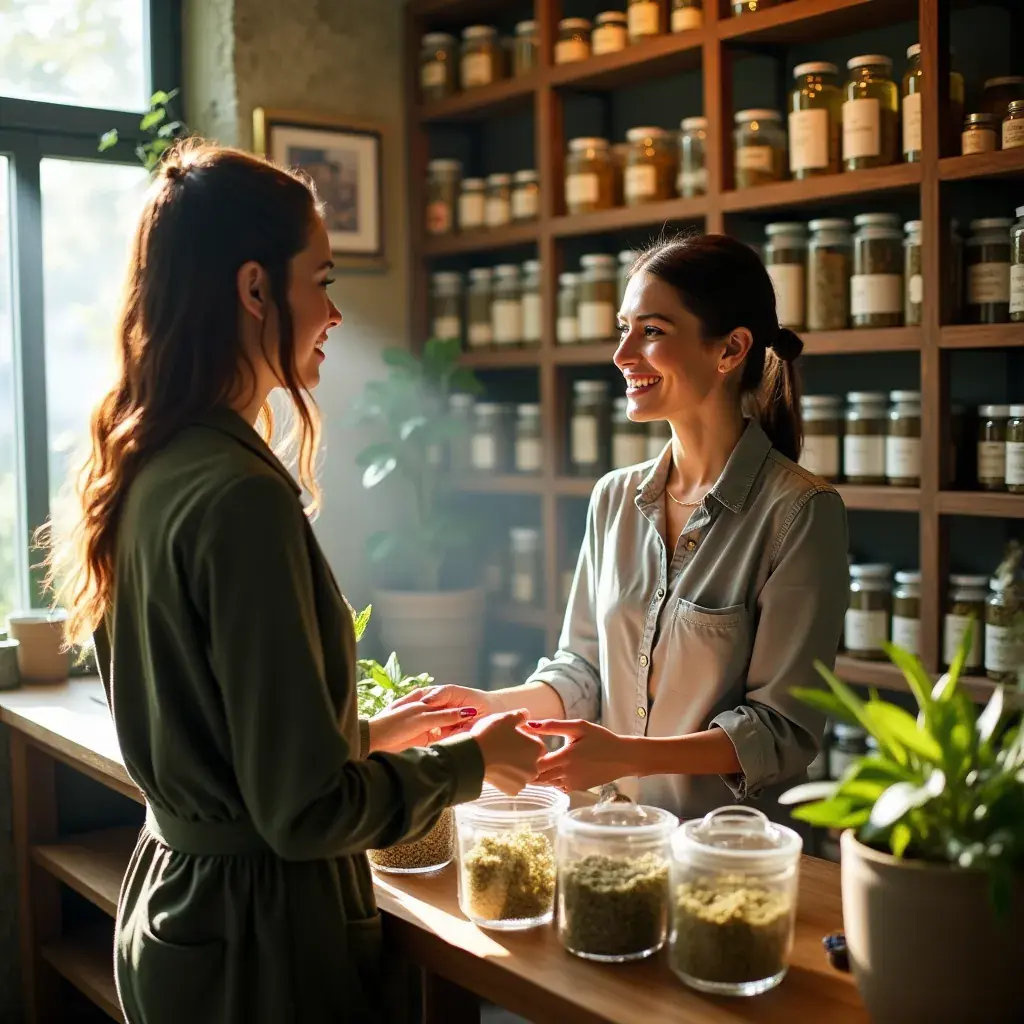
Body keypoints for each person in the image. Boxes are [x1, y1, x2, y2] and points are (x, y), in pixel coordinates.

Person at [44, 140, 545, 1024]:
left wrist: (359, 734)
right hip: (260, 943)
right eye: (322, 278)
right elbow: (304, 817)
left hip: (180, 907)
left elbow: (236, 744)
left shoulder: (153, 463)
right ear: (253, 289)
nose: (335, 312)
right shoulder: (240, 496)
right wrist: (476, 761)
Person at [397, 233, 849, 822]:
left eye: (653, 331)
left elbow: (780, 731)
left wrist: (627, 755)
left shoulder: (799, 511)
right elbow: (581, 667)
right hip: (613, 833)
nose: (622, 354)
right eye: (623, 328)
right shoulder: (613, 498)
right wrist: (489, 706)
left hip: (728, 851)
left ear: (731, 348)